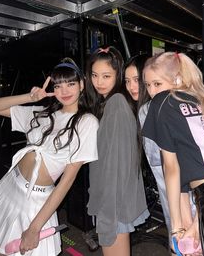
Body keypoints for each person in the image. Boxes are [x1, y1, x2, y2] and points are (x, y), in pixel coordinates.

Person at [0, 58, 99, 256]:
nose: (64, 91)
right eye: (58, 86)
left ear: (82, 85)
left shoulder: (87, 122)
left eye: (70, 84)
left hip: (36, 201)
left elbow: (67, 181)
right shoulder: (42, 113)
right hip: (9, 186)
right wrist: (30, 97)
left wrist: (35, 228)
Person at [142, 51, 204, 256]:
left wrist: (176, 228)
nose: (152, 92)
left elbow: (171, 169)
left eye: (157, 83)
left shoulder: (163, 102)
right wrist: (194, 225)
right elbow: (202, 171)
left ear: (177, 79)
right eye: (148, 85)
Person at [86, 46, 149, 256]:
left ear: (117, 75)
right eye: (94, 75)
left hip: (113, 204)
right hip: (115, 201)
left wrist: (108, 214)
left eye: (106, 76)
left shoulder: (116, 103)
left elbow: (114, 165)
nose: (99, 82)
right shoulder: (111, 103)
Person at [124, 53, 171, 236]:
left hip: (175, 192)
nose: (131, 87)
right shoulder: (166, 103)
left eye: (137, 80)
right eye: (127, 81)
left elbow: (159, 163)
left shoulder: (147, 110)